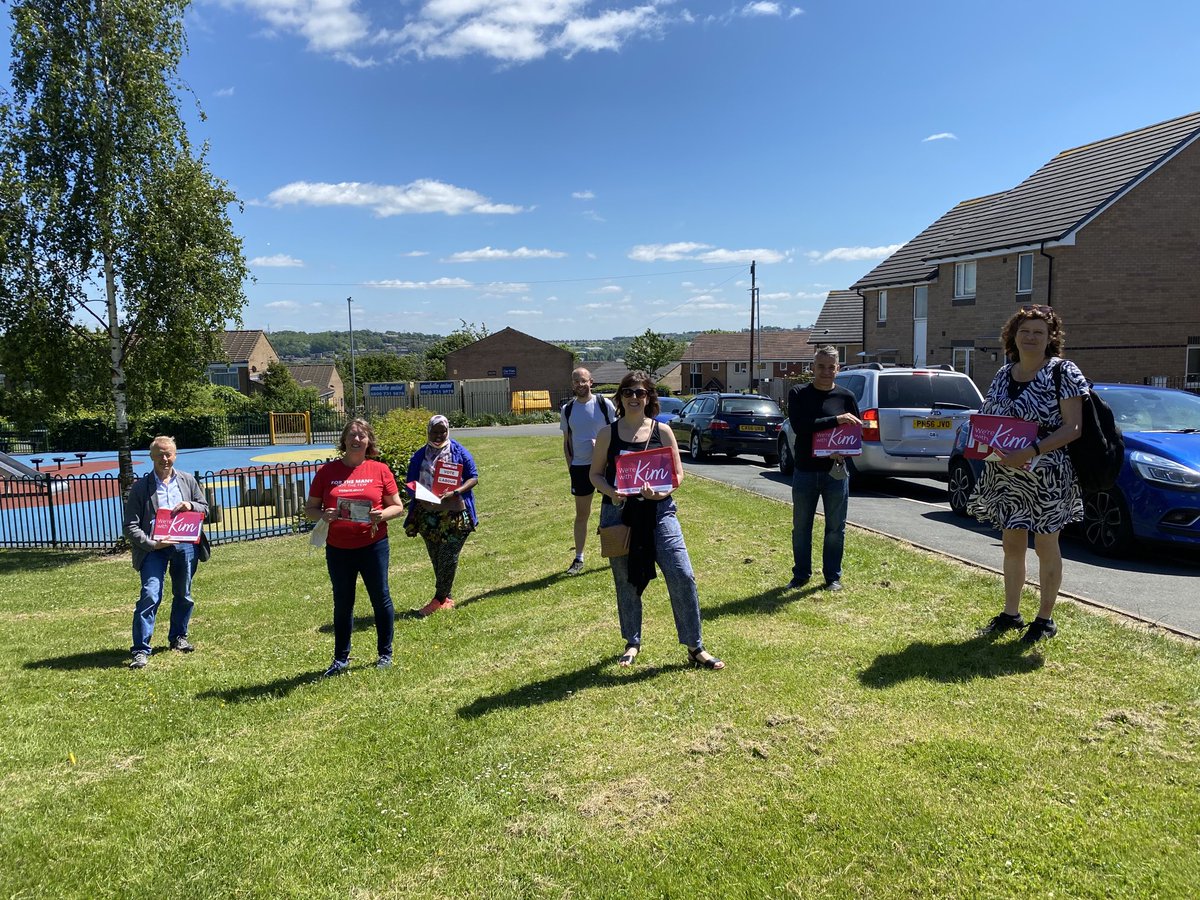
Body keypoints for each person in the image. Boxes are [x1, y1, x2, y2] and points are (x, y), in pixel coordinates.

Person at [590, 370, 724, 670]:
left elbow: (677, 475)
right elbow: (595, 474)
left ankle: (695, 646)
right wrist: (612, 491)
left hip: (660, 512)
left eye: (640, 392)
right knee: (626, 582)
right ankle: (632, 642)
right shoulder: (607, 434)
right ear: (620, 398)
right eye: (628, 392)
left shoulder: (662, 432)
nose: (634, 397)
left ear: (649, 396)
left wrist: (659, 493)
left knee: (682, 574)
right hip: (619, 513)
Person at [969, 306, 1084, 643]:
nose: (1031, 337)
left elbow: (1073, 428)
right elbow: (991, 417)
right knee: (1011, 544)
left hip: (1047, 472)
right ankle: (1010, 613)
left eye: (1038, 332)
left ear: (1051, 338)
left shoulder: (1064, 372)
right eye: (1025, 331)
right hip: (1008, 473)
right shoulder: (1005, 374)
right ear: (1013, 336)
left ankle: (1044, 619)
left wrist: (1031, 451)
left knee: (1046, 544)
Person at [305, 418, 405, 676]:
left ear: (369, 440)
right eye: (352, 434)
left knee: (380, 598)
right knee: (343, 602)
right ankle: (340, 659)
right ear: (344, 440)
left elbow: (397, 505)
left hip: (373, 545)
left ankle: (385, 654)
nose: (356, 439)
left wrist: (381, 515)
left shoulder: (379, 469)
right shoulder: (327, 472)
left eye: (362, 435)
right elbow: (310, 510)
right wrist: (323, 515)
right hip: (338, 548)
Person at [123, 435, 209, 669]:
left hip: (184, 546)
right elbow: (130, 526)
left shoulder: (187, 481)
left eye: (169, 453)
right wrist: (151, 544)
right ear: (151, 456)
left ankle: (179, 638)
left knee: (184, 593)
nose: (165, 458)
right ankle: (141, 650)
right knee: (150, 595)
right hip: (154, 549)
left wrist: (191, 505)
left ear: (175, 455)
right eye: (160, 454)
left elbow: (205, 509)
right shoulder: (141, 488)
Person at [786, 346, 862, 591]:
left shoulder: (846, 398)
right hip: (805, 471)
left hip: (835, 472)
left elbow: (854, 433)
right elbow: (801, 426)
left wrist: (845, 449)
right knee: (802, 527)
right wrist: (837, 419)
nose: (826, 371)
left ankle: (832, 578)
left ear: (838, 369)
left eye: (831, 367)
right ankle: (801, 575)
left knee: (835, 528)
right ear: (813, 368)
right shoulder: (799, 393)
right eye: (821, 366)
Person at [404, 415, 479, 617]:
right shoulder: (420, 455)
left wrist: (456, 491)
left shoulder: (458, 451)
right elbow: (410, 482)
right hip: (428, 514)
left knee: (448, 556)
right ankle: (447, 598)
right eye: (434, 432)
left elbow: (473, 477)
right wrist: (419, 495)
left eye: (442, 431)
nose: (438, 435)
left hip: (454, 514)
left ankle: (438, 599)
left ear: (447, 431)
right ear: (428, 432)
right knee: (437, 557)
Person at [561, 366, 617, 575]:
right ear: (572, 384)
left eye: (583, 380)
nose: (580, 384)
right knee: (581, 515)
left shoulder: (604, 404)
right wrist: (571, 467)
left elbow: (616, 433)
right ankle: (579, 558)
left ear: (591, 382)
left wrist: (607, 454)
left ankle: (617, 551)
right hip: (580, 468)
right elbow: (566, 442)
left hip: (605, 467)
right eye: (576, 381)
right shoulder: (567, 409)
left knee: (613, 510)